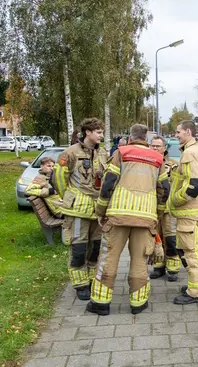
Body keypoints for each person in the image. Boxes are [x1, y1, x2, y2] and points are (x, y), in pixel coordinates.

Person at [86, 124, 169, 316]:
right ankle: (138, 304)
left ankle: (101, 303)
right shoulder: (158, 158)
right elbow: (164, 188)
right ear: (147, 139)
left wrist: (101, 210)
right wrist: (157, 214)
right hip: (146, 218)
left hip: (118, 216)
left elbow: (108, 184)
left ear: (130, 138)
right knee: (140, 260)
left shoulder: (121, 153)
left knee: (110, 257)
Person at [53, 118, 109, 300]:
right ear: (88, 133)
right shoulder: (70, 153)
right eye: (98, 132)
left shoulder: (102, 153)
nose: (101, 135)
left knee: (95, 247)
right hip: (78, 209)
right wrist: (70, 197)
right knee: (79, 249)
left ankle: (92, 278)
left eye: (102, 132)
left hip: (97, 209)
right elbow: (59, 179)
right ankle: (80, 284)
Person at [168, 120, 198, 305]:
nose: (176, 135)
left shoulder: (190, 153)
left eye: (178, 132)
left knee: (190, 251)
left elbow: (195, 185)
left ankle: (195, 292)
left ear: (188, 131)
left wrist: (176, 199)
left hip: (188, 212)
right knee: (196, 249)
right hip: (197, 211)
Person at [149, 135, 182, 281]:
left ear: (164, 148)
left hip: (168, 209)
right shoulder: (147, 163)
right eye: (153, 146)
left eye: (158, 146)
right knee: (156, 238)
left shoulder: (174, 165)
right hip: (152, 208)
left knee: (170, 238)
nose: (155, 148)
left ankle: (173, 267)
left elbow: (178, 185)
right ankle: (158, 267)